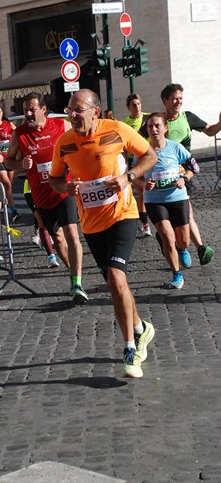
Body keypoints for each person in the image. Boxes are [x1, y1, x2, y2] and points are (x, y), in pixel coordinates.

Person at [49, 89, 157, 378]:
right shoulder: (65, 143)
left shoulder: (116, 130)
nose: (72, 115)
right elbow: (55, 179)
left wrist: (128, 177)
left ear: (95, 111)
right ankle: (140, 328)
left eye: (78, 109)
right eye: (69, 109)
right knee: (114, 283)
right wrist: (65, 188)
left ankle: (129, 347)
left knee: (116, 276)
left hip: (123, 214)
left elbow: (149, 155)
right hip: (92, 223)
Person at [5, 91, 88, 303]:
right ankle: (73, 273)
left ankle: (77, 282)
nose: (28, 114)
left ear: (44, 109)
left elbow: (81, 145)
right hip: (41, 195)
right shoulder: (20, 134)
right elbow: (8, 162)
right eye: (25, 111)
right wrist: (20, 164)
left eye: (32, 110)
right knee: (58, 239)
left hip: (64, 189)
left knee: (71, 233)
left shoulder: (61, 126)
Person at [134, 113, 198, 290]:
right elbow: (133, 176)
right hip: (155, 201)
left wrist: (184, 178)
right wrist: (143, 183)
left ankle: (182, 248)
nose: (154, 129)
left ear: (165, 128)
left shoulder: (175, 147)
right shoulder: (142, 151)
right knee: (166, 235)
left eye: (157, 126)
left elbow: (194, 167)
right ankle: (176, 273)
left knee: (183, 240)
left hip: (177, 198)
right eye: (150, 127)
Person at [160, 83, 218, 265]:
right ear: (165, 100)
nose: (178, 102)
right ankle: (179, 245)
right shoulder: (158, 122)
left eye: (181, 98)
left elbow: (210, 131)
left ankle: (197, 248)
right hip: (163, 175)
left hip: (185, 174)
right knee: (173, 217)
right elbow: (138, 142)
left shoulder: (188, 117)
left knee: (187, 212)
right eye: (175, 98)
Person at [122, 93, 152, 237]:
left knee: (152, 190)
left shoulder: (148, 118)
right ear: (129, 108)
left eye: (138, 104)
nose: (137, 107)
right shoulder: (125, 123)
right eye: (133, 105)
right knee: (141, 192)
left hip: (150, 158)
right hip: (134, 161)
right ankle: (145, 224)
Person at [0, 104, 20, 222]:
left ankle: (5, 209)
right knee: (6, 183)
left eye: (0, 112)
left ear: (2, 113)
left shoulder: (8, 125)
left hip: (9, 159)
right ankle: (14, 210)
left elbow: (18, 134)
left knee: (8, 187)